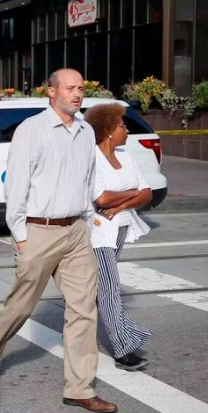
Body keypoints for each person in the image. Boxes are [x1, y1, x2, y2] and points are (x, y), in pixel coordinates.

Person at [0, 68, 118, 413]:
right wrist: (21, 237)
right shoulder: (32, 130)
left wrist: (87, 220)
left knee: (85, 308)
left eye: (81, 88)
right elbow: (17, 185)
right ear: (51, 93)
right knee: (21, 306)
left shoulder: (86, 131)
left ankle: (80, 387)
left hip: (75, 232)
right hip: (38, 231)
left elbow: (86, 179)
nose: (77, 94)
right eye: (70, 88)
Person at [83, 103, 153, 371]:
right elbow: (101, 198)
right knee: (110, 287)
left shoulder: (126, 155)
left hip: (122, 225)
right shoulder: (92, 158)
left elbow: (146, 192)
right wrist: (131, 192)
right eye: (122, 125)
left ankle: (79, 323)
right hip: (99, 231)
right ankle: (123, 347)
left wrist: (122, 204)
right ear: (108, 130)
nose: (126, 129)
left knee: (100, 287)